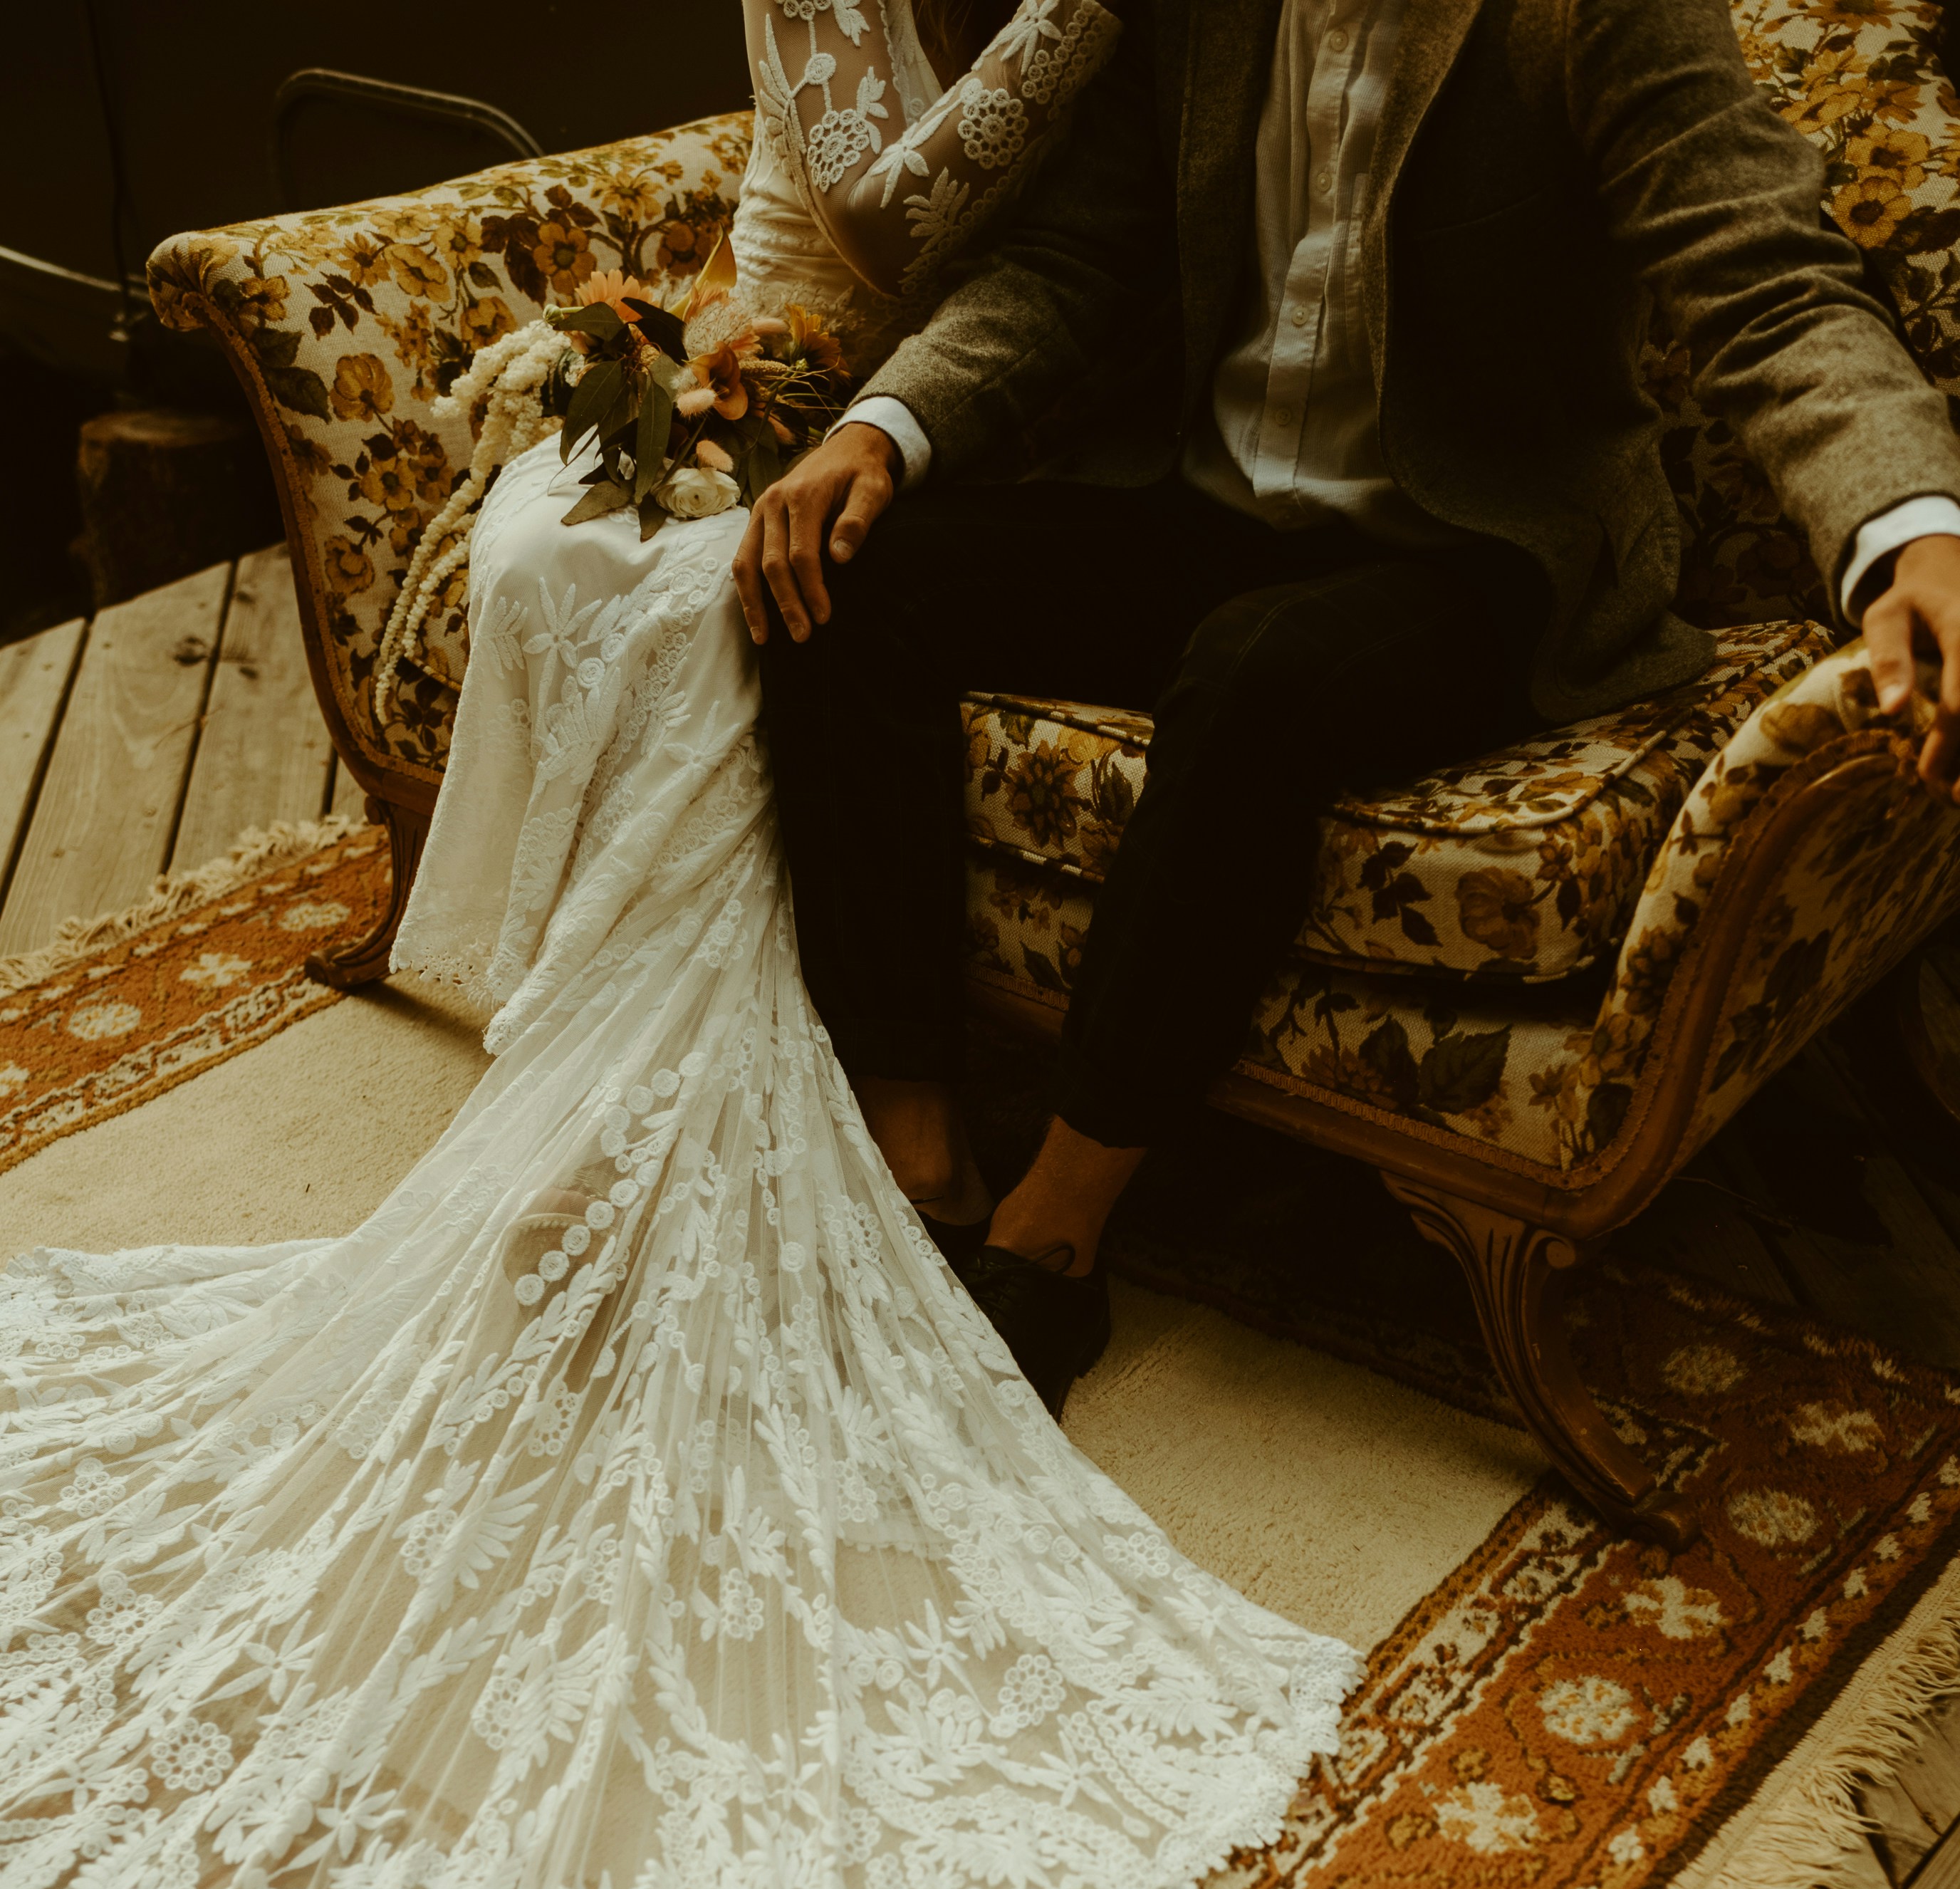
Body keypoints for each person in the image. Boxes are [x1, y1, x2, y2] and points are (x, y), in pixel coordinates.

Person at [0, 0, 1357, 1889]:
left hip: (1056, 431)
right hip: (857, 386)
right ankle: (701, 1094)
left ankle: (817, 1137)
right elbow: (793, 192)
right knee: (592, 556)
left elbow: (1017, 244)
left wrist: (864, 398)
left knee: (747, 595)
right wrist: (736, 339)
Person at [737, 0, 1960, 1412]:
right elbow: (1070, 257)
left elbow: (1769, 288)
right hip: (1215, 507)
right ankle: (921, 1153)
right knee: (853, 568)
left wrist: (1908, 534)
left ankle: (1053, 1230)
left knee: (1263, 671)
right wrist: (874, 431)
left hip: (1482, 551)